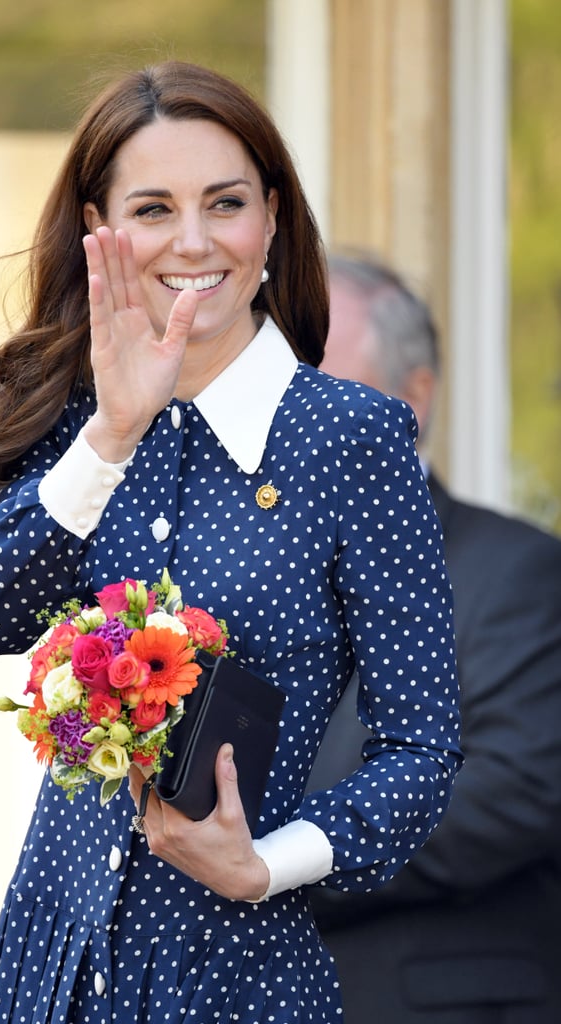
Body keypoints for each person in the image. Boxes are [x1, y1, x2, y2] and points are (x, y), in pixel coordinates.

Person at [0, 62, 462, 1023]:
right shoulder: (72, 418)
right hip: (49, 968)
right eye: (152, 208)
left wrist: (267, 863)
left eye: (224, 203)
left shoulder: (354, 441)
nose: (191, 240)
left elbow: (420, 748)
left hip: (235, 974)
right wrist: (110, 434)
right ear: (101, 229)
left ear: (271, 222)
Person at [309, 253, 561, 1022]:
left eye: (317, 383)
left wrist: (272, 862)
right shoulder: (227, 580)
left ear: (412, 401)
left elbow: (515, 791)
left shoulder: (518, 572)